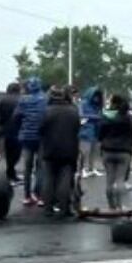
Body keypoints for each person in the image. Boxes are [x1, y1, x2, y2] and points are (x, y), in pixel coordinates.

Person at [39, 86, 82, 217]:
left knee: (49, 178)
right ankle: (64, 208)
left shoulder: (47, 111)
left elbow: (40, 129)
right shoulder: (73, 111)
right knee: (65, 178)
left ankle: (48, 208)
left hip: (50, 149)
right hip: (69, 149)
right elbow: (77, 128)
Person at [14, 77, 48, 206]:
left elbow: (16, 116)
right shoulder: (45, 99)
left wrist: (21, 128)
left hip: (26, 137)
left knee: (27, 167)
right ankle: (39, 195)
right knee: (41, 166)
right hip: (41, 137)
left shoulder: (23, 100)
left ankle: (27, 196)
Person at [99, 94, 132, 210]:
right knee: (120, 180)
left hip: (108, 150)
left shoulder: (105, 117)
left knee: (109, 180)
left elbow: (100, 134)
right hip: (124, 151)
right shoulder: (129, 117)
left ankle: (111, 206)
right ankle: (120, 206)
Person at [0, 82, 23, 182]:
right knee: (17, 153)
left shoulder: (3, 100)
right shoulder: (21, 100)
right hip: (18, 129)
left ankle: (10, 171)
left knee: (8, 152)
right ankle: (11, 171)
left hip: (6, 130)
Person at [79, 87, 104, 177]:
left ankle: (92, 168)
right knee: (85, 152)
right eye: (95, 96)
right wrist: (95, 117)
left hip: (96, 131)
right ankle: (83, 169)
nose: (96, 98)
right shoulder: (83, 104)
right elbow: (81, 115)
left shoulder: (98, 106)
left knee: (94, 152)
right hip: (85, 132)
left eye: (98, 96)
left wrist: (92, 117)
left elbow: (100, 116)